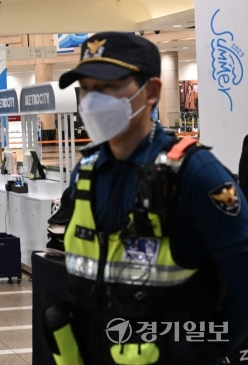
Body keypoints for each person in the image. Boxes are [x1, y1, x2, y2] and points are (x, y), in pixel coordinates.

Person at [48, 32, 248, 364]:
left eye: (110, 87)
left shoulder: (195, 173)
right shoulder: (86, 171)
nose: (93, 101)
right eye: (86, 89)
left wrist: (201, 349)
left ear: (151, 92)